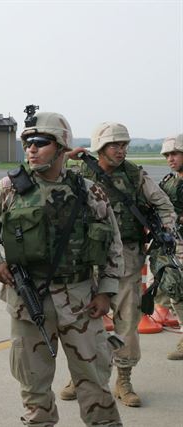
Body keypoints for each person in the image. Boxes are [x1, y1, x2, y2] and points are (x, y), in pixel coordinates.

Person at [0, 111, 123, 426]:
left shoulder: (88, 190)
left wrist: (107, 291)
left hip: (81, 299)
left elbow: (112, 244)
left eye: (41, 142)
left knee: (95, 382)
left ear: (63, 146)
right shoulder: (9, 189)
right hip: (29, 301)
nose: (32, 149)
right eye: (28, 143)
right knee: (34, 388)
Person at [60, 122, 176, 407]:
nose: (121, 150)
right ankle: (82, 374)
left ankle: (123, 378)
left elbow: (164, 206)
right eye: (115, 145)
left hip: (126, 257)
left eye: (124, 145)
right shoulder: (78, 174)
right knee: (83, 322)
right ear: (100, 148)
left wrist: (167, 232)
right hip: (86, 260)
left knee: (127, 321)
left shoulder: (136, 176)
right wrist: (63, 158)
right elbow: (43, 178)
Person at [156, 133, 183, 360]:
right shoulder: (168, 181)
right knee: (176, 290)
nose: (170, 159)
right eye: (167, 155)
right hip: (174, 244)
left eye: (174, 153)